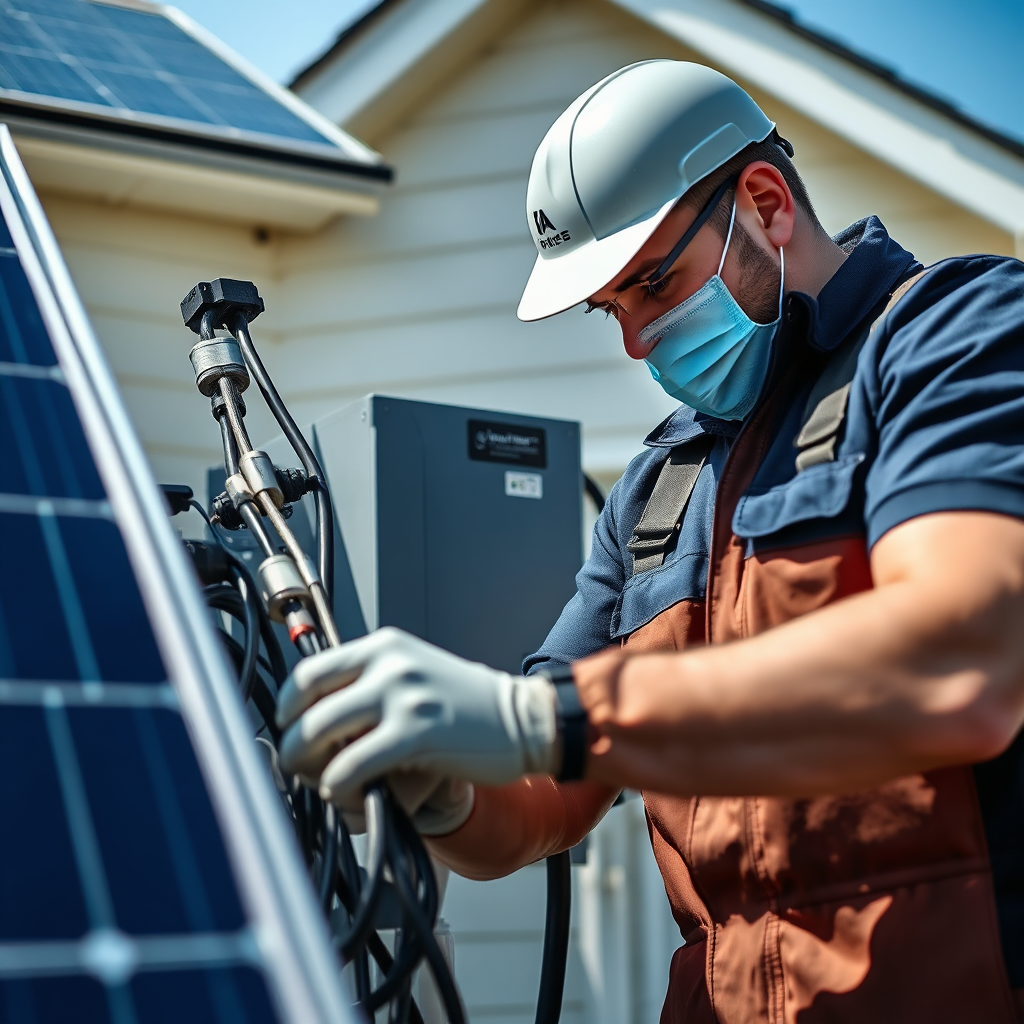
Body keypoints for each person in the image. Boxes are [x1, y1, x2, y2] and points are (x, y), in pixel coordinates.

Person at [275, 61, 1024, 1022]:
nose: (634, 341)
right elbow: (552, 787)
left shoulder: (953, 341)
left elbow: (958, 661)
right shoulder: (658, 489)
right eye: (610, 309)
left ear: (765, 203)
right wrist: (449, 791)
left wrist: (533, 722)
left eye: (653, 283)